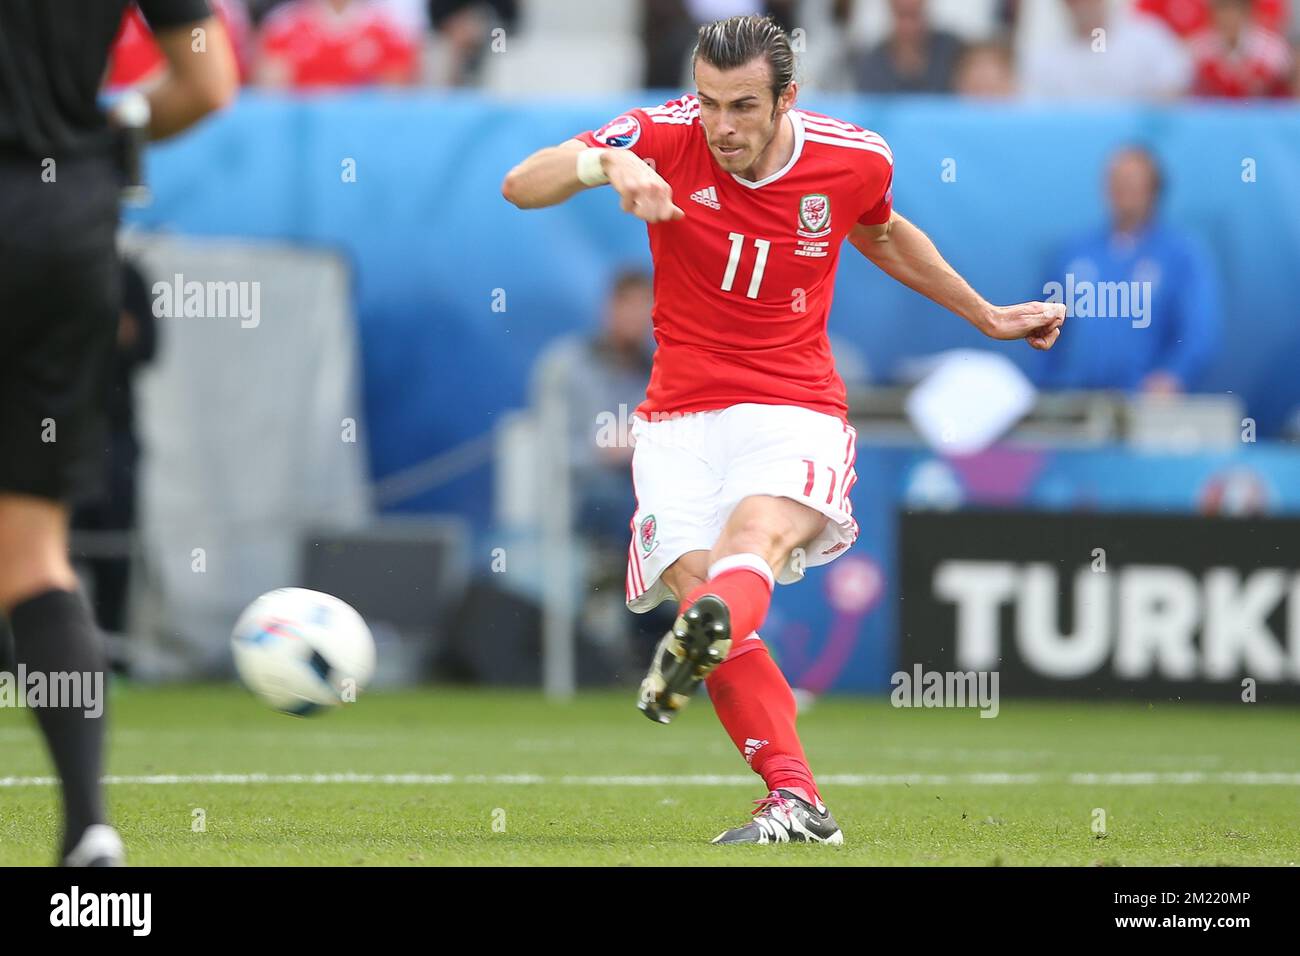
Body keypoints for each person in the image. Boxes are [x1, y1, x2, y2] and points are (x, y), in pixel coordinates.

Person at [502, 14, 1063, 845]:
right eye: (709, 103)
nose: (720, 126)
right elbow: (521, 182)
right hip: (676, 419)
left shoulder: (854, 157)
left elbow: (881, 231)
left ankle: (704, 649)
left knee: (751, 541)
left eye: (742, 106)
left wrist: (982, 313)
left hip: (791, 405)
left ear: (786, 97)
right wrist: (604, 162)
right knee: (712, 593)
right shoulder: (660, 132)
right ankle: (797, 801)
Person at [0, 0, 236, 866]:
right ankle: (86, 830)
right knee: (31, 556)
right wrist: (114, 122)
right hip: (63, 231)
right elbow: (209, 80)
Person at [1034, 146, 1221, 394]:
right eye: (1116, 181)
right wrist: (1042, 387)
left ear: (1154, 189)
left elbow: (1200, 331)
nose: (1123, 190)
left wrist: (1174, 375)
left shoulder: (1182, 255)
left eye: (1133, 182)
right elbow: (1042, 325)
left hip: (1141, 404)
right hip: (1075, 401)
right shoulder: (1074, 252)